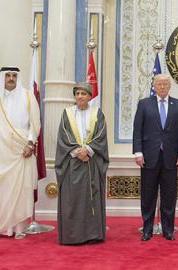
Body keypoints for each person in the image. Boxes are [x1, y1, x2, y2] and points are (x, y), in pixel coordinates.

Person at [133, 74, 178, 241]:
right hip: (148, 158)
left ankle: (168, 230)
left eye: (165, 84)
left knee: (169, 196)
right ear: (154, 86)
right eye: (159, 84)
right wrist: (138, 153)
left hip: (171, 159)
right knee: (148, 196)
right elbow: (137, 130)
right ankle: (147, 229)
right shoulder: (144, 104)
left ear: (169, 86)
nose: (162, 87)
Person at [0, 67, 40, 240]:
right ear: (3, 78)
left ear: (18, 77)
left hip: (21, 149)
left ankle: (19, 228)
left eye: (14, 75)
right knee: (1, 189)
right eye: (8, 75)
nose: (11, 78)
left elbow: (34, 123)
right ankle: (0, 227)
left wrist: (31, 144)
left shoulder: (27, 96)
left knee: (21, 189)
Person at [55, 82, 109, 245]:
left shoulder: (97, 114)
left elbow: (101, 136)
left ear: (89, 96)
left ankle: (93, 234)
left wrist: (88, 150)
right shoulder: (67, 114)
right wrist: (77, 152)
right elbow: (63, 137)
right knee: (73, 199)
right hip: (72, 163)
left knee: (91, 198)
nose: (80, 96)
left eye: (83, 94)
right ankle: (73, 235)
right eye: (77, 93)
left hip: (91, 164)